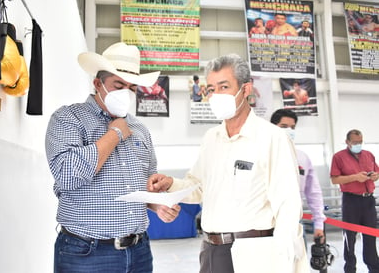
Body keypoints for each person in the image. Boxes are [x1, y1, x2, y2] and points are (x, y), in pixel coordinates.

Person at [147, 54, 308, 272]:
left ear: (246, 89)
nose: (216, 95)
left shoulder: (272, 138)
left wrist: (286, 258)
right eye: (212, 89)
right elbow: (199, 187)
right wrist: (171, 184)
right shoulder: (211, 138)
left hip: (255, 253)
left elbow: (287, 205)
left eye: (224, 86)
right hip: (212, 251)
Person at [45, 42, 180, 272]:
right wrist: (115, 134)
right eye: (119, 85)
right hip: (85, 253)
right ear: (98, 84)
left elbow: (145, 186)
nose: (126, 93)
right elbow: (67, 175)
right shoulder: (69, 118)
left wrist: (158, 204)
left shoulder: (140, 130)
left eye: (132, 87)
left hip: (139, 251)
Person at [270, 109, 326, 247]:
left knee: (298, 266)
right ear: (272, 127)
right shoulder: (260, 155)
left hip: (294, 224)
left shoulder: (302, 158)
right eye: (283, 127)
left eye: (292, 127)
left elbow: (314, 193)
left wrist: (319, 224)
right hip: (265, 225)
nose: (289, 130)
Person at [330, 129, 379, 273]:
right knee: (349, 238)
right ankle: (350, 269)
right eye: (355, 142)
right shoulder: (338, 157)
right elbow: (334, 179)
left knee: (371, 235)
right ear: (347, 142)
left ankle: (374, 268)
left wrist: (375, 176)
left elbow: (377, 172)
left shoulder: (368, 155)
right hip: (351, 201)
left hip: (368, 200)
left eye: (360, 142)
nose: (358, 144)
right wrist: (355, 177)